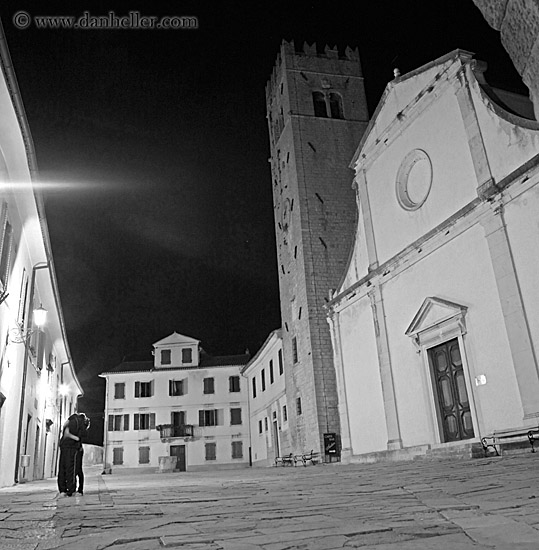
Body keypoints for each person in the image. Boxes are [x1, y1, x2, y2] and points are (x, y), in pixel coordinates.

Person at [57, 412, 82, 496]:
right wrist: (77, 438)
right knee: (71, 469)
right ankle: (71, 490)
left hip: (63, 447)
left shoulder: (67, 422)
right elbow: (69, 434)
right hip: (72, 448)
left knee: (62, 468)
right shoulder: (78, 422)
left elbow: (65, 433)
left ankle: (62, 490)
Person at [75, 413, 90, 495]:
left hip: (78, 449)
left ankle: (79, 488)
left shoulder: (81, 428)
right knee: (78, 470)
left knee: (77, 469)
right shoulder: (82, 428)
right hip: (79, 449)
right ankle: (79, 488)